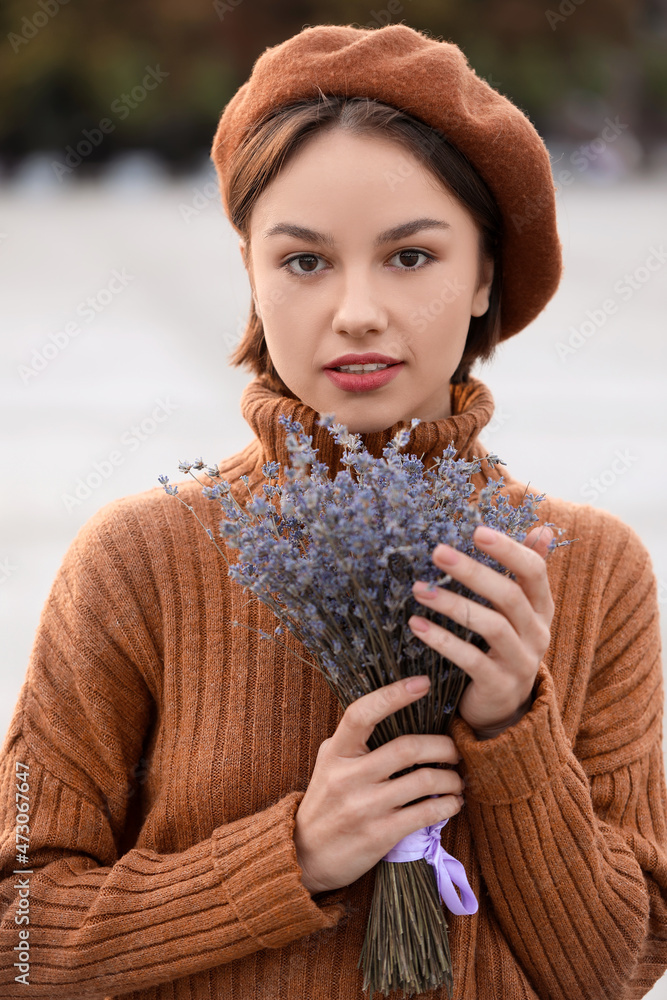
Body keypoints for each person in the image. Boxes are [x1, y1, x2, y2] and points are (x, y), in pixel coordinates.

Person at [1, 22, 665, 1000]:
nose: (356, 310)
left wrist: (514, 724)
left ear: (484, 272)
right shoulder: (135, 560)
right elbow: (16, 941)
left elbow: (614, 969)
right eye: (306, 261)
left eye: (409, 257)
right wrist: (290, 857)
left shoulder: (593, 572)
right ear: (252, 275)